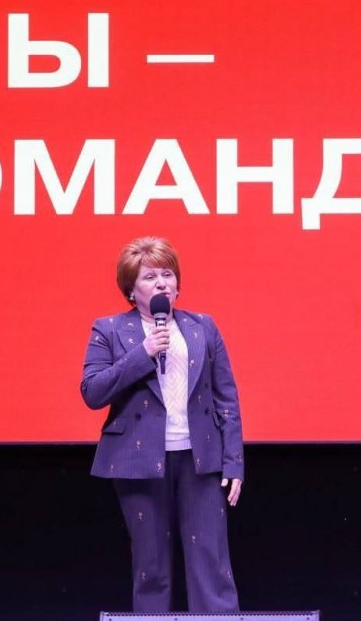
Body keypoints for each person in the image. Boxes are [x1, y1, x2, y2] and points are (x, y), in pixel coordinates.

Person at [80, 236, 244, 613]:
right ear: (131, 289)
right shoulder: (108, 330)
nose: (161, 284)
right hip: (138, 462)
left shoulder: (203, 327)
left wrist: (233, 462)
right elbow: (92, 391)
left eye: (167, 275)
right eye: (150, 276)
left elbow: (226, 398)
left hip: (200, 460)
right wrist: (144, 353)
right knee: (151, 567)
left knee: (212, 563)